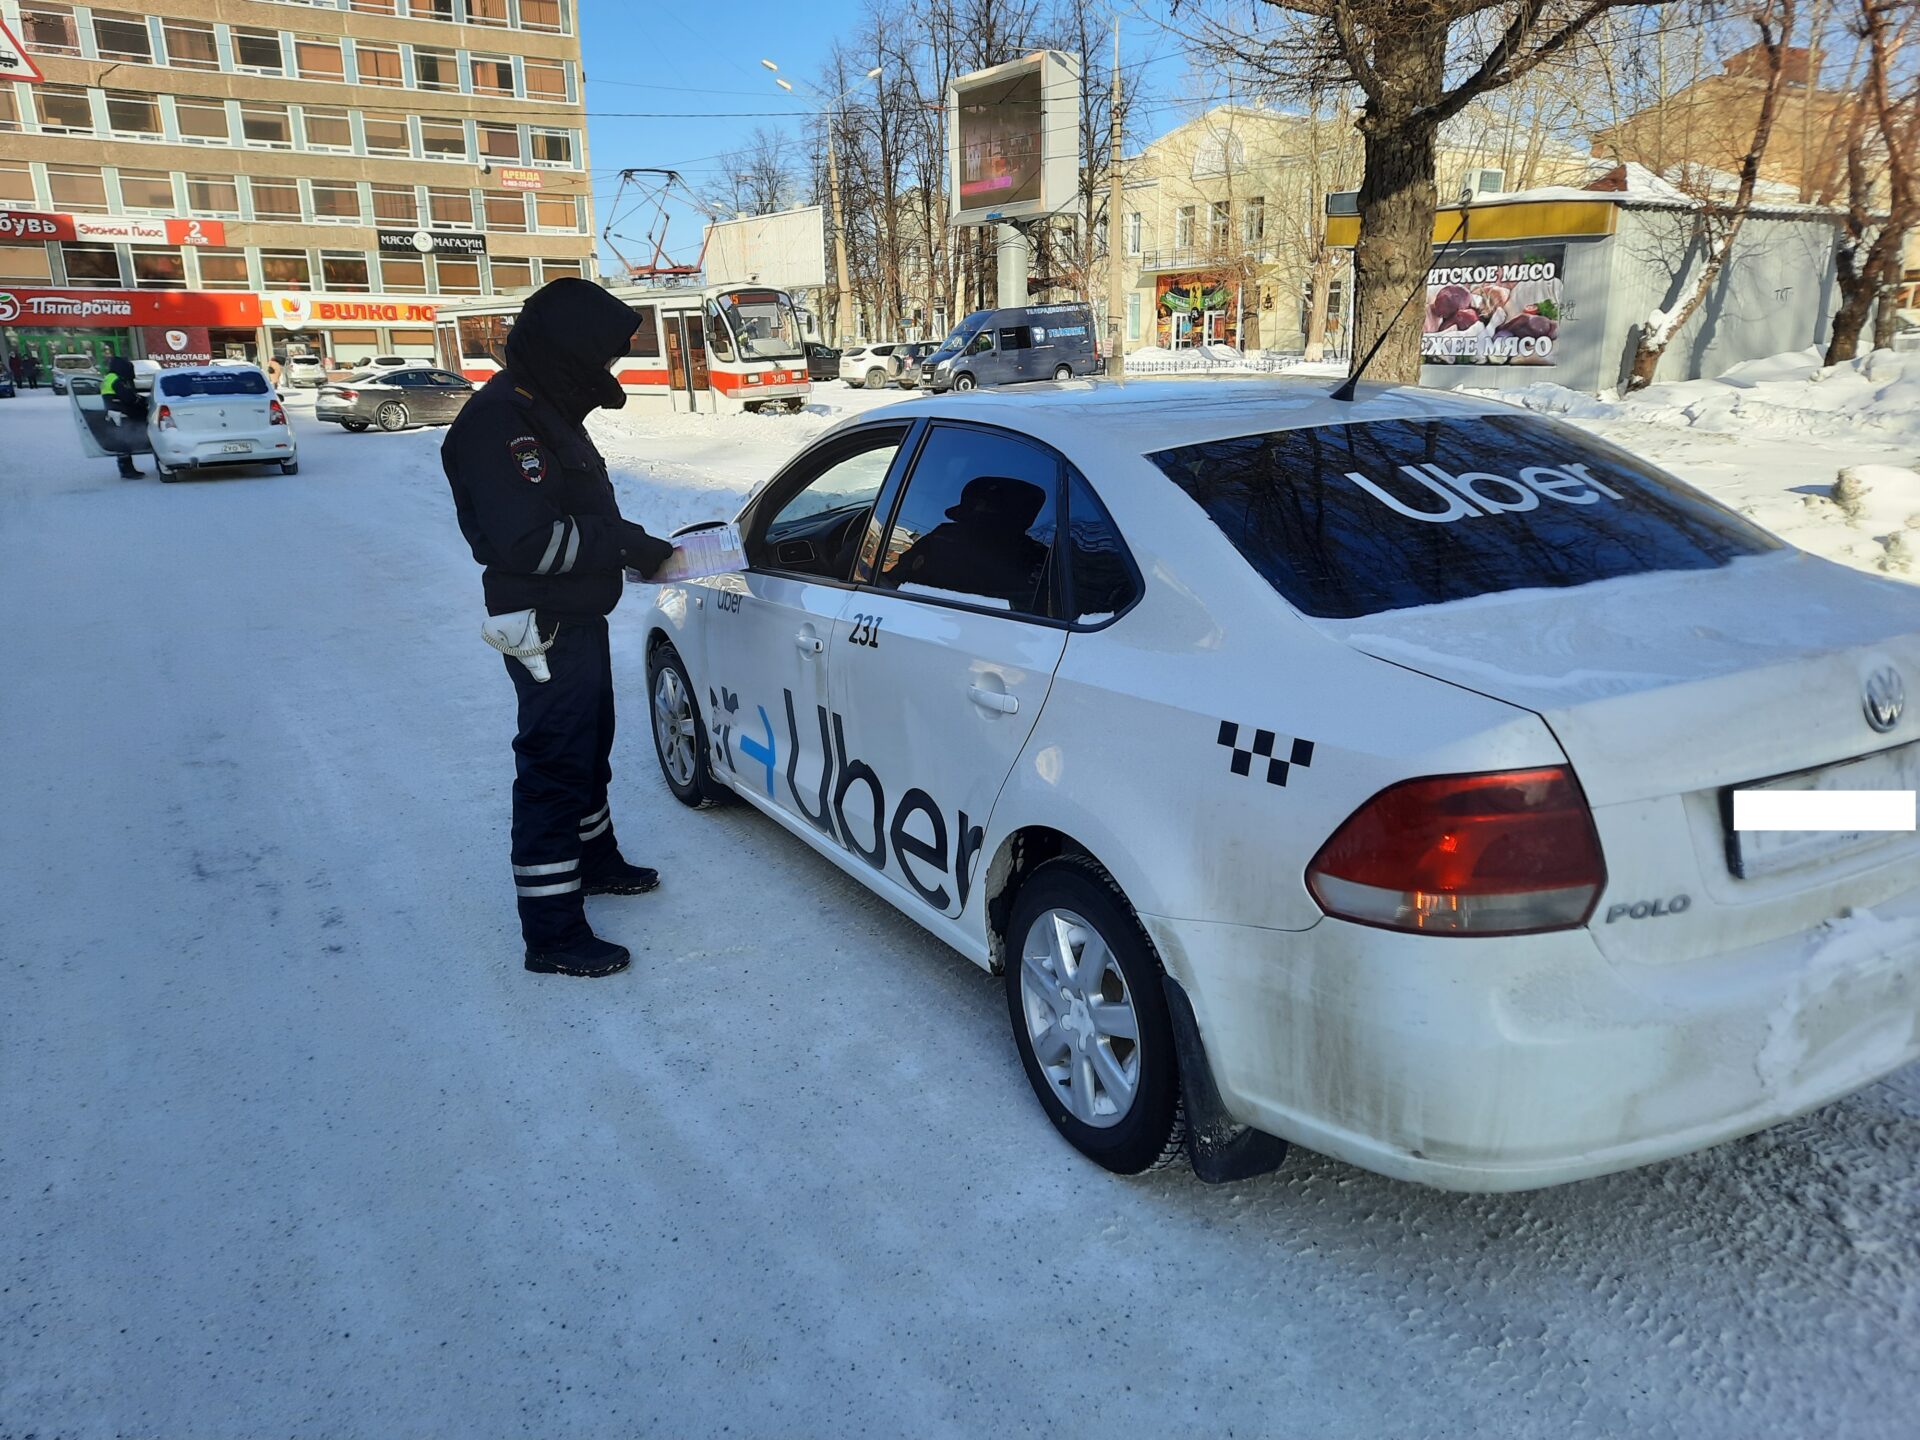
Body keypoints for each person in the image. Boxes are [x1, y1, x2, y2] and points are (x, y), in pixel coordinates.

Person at [442, 278, 674, 979]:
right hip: (541, 622)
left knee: (589, 743)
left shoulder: (544, 410)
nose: (609, 373)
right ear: (569, 352)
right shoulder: (501, 424)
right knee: (552, 764)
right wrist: (626, 545)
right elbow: (530, 544)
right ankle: (552, 931)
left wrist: (622, 542)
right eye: (602, 358)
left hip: (575, 614)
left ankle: (596, 860)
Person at [99, 356, 148, 479]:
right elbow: (128, 397)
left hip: (113, 414)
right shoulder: (116, 380)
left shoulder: (108, 378)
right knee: (124, 442)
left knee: (121, 443)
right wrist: (141, 401)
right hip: (121, 415)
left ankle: (125, 469)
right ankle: (127, 471)